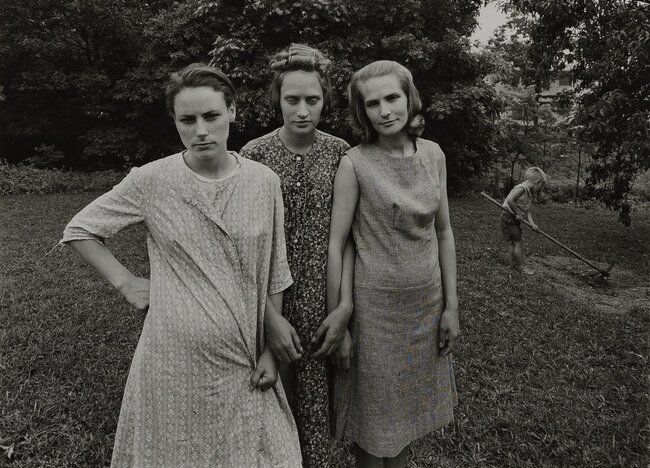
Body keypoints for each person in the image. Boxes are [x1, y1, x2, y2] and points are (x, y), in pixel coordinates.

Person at [60, 64, 302, 467]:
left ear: (232, 112)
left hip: (243, 357)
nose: (201, 130)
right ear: (175, 121)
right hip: (172, 361)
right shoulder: (153, 180)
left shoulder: (264, 181)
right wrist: (125, 283)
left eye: (211, 116)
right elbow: (80, 229)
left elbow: (275, 269)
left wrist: (270, 353)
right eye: (187, 120)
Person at [327, 60, 459, 468]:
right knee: (372, 426)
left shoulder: (434, 155)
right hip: (374, 313)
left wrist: (452, 307)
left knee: (405, 420)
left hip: (426, 308)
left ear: (409, 98)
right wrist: (340, 320)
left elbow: (444, 232)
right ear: (361, 111)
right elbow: (337, 243)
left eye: (392, 98)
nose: (384, 110)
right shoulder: (355, 163)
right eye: (372, 104)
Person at [240, 43, 353, 468]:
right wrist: (268, 317)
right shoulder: (254, 155)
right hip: (269, 299)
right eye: (292, 99)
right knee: (266, 402)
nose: (302, 109)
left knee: (314, 407)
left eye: (312, 99)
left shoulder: (342, 152)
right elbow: (245, 245)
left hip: (324, 297)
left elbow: (350, 239)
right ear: (277, 100)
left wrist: (345, 308)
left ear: (325, 100)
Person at [500, 166, 547, 275]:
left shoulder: (529, 194)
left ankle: (512, 266)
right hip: (508, 217)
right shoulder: (521, 188)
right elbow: (510, 200)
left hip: (512, 219)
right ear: (537, 181)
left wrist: (532, 224)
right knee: (517, 243)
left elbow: (528, 212)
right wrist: (517, 212)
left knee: (513, 242)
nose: (541, 188)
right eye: (541, 185)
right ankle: (521, 267)